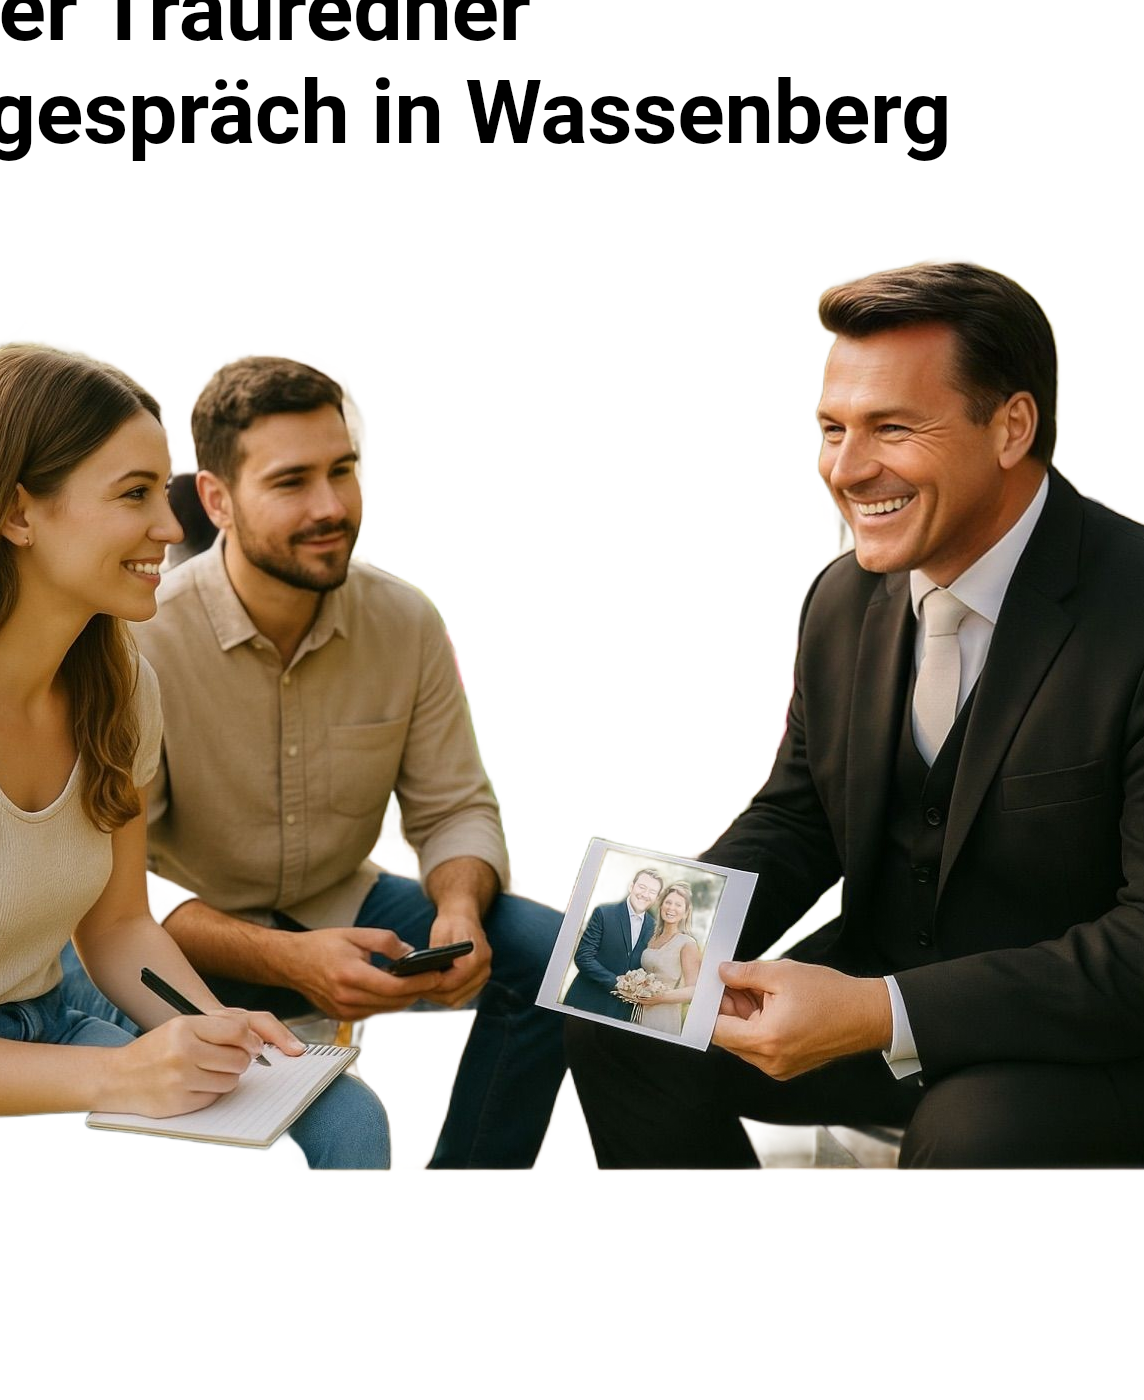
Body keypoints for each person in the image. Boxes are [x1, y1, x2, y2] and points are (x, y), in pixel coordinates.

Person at [566, 255, 1144, 1170]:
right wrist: (646, 942)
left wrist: (880, 1010)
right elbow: (802, 814)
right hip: (895, 997)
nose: (846, 470)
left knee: (971, 1137)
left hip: (1124, 1043)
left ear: (1011, 427)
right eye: (832, 429)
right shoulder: (841, 596)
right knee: (621, 1019)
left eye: (891, 427)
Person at [0, 339, 392, 1171]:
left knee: (340, 1120)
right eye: (133, 494)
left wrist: (213, 1029)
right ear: (16, 514)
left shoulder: (119, 687)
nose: (172, 526)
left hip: (47, 1026)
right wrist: (121, 1075)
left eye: (164, 489)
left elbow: (119, 925)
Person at [59, 349, 567, 1170]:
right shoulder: (139, 642)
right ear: (217, 500)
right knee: (126, 1042)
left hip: (343, 904)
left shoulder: (405, 619)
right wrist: (285, 960)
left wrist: (460, 909)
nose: (331, 506)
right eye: (292, 482)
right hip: (178, 943)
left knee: (560, 963)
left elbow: (455, 809)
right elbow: (121, 889)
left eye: (343, 471)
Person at [564, 868, 663, 1022]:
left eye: (652, 892)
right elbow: (583, 958)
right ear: (631, 886)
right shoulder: (603, 914)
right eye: (642, 887)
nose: (645, 894)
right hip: (586, 1002)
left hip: (622, 1013)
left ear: (656, 897)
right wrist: (617, 982)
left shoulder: (655, 928)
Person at [636, 882, 701, 1035]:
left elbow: (693, 990)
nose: (671, 908)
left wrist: (659, 997)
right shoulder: (651, 937)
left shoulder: (687, 943)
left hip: (664, 1014)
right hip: (638, 1011)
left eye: (678, 905)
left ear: (685, 913)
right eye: (668, 902)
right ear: (661, 906)